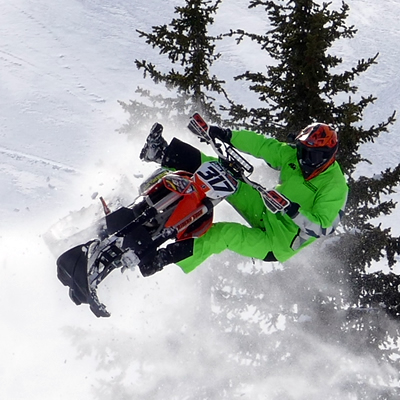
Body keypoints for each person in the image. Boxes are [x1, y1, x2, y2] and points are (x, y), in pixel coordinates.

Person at [136, 121, 348, 277]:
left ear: (329, 155)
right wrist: (223, 133)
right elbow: (263, 146)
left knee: (224, 234)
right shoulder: (295, 156)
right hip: (267, 208)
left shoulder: (334, 186)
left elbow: (323, 227)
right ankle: (161, 153)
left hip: (277, 242)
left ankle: (160, 259)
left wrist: (292, 211)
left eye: (313, 156)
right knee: (219, 172)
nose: (304, 159)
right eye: (303, 151)